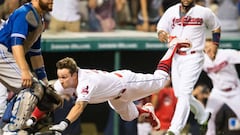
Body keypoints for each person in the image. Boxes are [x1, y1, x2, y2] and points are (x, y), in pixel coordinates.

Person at [48, 43, 180, 133]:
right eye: (60, 77)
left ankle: (173, 46)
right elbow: (48, 92)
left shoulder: (85, 82)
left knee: (162, 80)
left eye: (64, 77)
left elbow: (79, 107)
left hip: (127, 83)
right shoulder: (65, 81)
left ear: (74, 75)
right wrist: (33, 119)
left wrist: (64, 123)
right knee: (129, 117)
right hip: (115, 97)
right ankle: (148, 111)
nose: (61, 80)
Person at [156, 0, 221, 134]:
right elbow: (161, 28)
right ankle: (203, 116)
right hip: (176, 56)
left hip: (194, 55)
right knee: (180, 95)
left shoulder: (203, 12)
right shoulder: (172, 11)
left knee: (185, 93)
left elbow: (216, 26)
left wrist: (215, 44)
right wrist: (161, 33)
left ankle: (174, 129)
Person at [0, 0, 52, 134]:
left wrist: (45, 81)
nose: (52, 0)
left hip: (6, 54)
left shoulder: (39, 18)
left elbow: (35, 53)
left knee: (41, 90)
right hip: (3, 51)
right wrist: (24, 70)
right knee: (33, 87)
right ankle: (12, 130)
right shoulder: (25, 13)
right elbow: (16, 44)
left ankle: (9, 125)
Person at [203, 39, 240, 135]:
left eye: (210, 47)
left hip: (235, 91)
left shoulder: (226, 54)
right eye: (206, 48)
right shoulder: (202, 60)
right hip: (218, 92)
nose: (208, 49)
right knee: (208, 116)